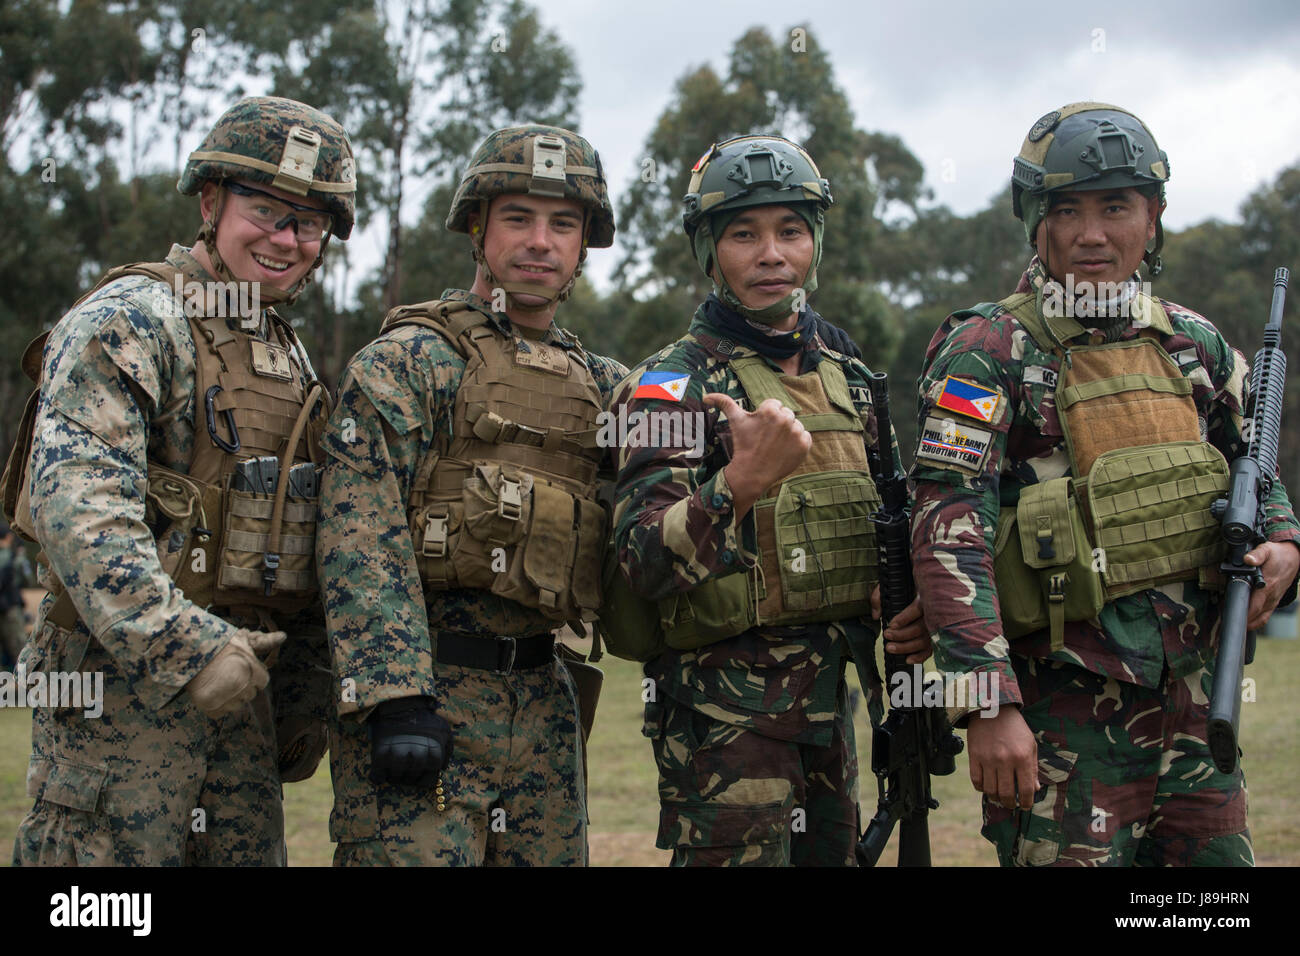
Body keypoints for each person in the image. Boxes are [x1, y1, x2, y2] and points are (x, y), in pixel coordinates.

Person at [910, 102, 1300, 866]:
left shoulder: (1193, 344)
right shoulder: (988, 350)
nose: (1093, 235)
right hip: (1061, 721)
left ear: (1151, 218)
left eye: (1115, 207)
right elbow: (948, 527)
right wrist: (988, 702)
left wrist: (1284, 541)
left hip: (1196, 712)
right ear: (1037, 222)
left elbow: (1256, 465)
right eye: (1068, 211)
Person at [8, 96, 355, 866]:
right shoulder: (134, 318)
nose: (285, 239)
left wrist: (300, 685)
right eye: (264, 210)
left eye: (308, 224)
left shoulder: (283, 352)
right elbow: (82, 512)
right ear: (210, 202)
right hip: (120, 705)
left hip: (239, 708)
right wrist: (185, 648)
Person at [610, 135, 930, 866]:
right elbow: (641, 563)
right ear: (707, 251)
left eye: (790, 231)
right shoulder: (669, 384)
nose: (770, 255)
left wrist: (896, 598)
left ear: (815, 241)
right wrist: (737, 484)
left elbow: (884, 518)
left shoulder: (849, 377)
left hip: (832, 711)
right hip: (723, 726)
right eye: (743, 235)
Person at [319, 125, 624, 866]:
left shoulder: (610, 388)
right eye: (518, 218)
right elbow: (360, 529)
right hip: (426, 701)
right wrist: (395, 695)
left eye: (563, 224)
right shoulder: (411, 361)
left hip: (545, 702)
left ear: (585, 244)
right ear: (478, 227)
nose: (540, 243)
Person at [0, 524, 32, 668]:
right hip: (9, 608)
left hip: (9, 606)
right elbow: (26, 579)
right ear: (8, 537)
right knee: (19, 650)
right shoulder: (10, 555)